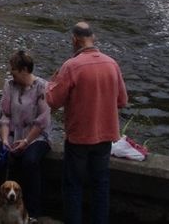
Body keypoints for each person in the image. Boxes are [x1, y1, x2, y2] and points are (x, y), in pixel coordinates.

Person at [45, 21, 128, 224]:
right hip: (105, 136)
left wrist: (50, 84)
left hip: (79, 137)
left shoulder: (71, 66)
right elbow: (122, 101)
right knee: (101, 185)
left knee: (73, 185)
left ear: (75, 40)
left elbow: (53, 101)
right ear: (94, 38)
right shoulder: (112, 64)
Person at [0, 48, 50, 223]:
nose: (11, 75)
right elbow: (4, 115)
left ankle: (34, 211)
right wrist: (5, 139)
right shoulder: (9, 85)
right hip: (12, 133)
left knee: (30, 161)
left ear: (24, 70)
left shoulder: (42, 87)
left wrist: (26, 141)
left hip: (35, 136)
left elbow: (42, 120)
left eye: (14, 71)